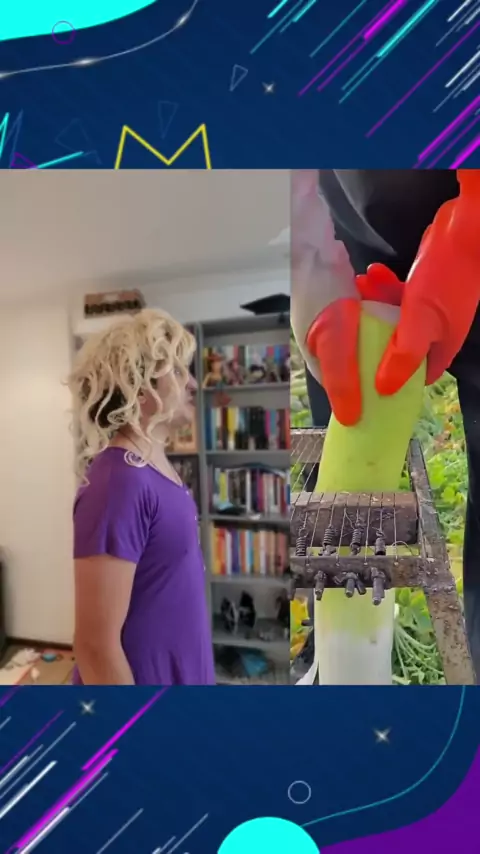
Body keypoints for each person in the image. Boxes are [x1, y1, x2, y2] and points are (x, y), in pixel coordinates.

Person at [291, 168, 480, 682]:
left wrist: (471, 232)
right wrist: (305, 247)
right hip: (355, 223)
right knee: (345, 499)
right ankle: (339, 664)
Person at [67, 308, 215, 686]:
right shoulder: (119, 481)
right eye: (178, 371)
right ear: (140, 384)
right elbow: (95, 647)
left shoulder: (153, 469)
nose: (193, 384)